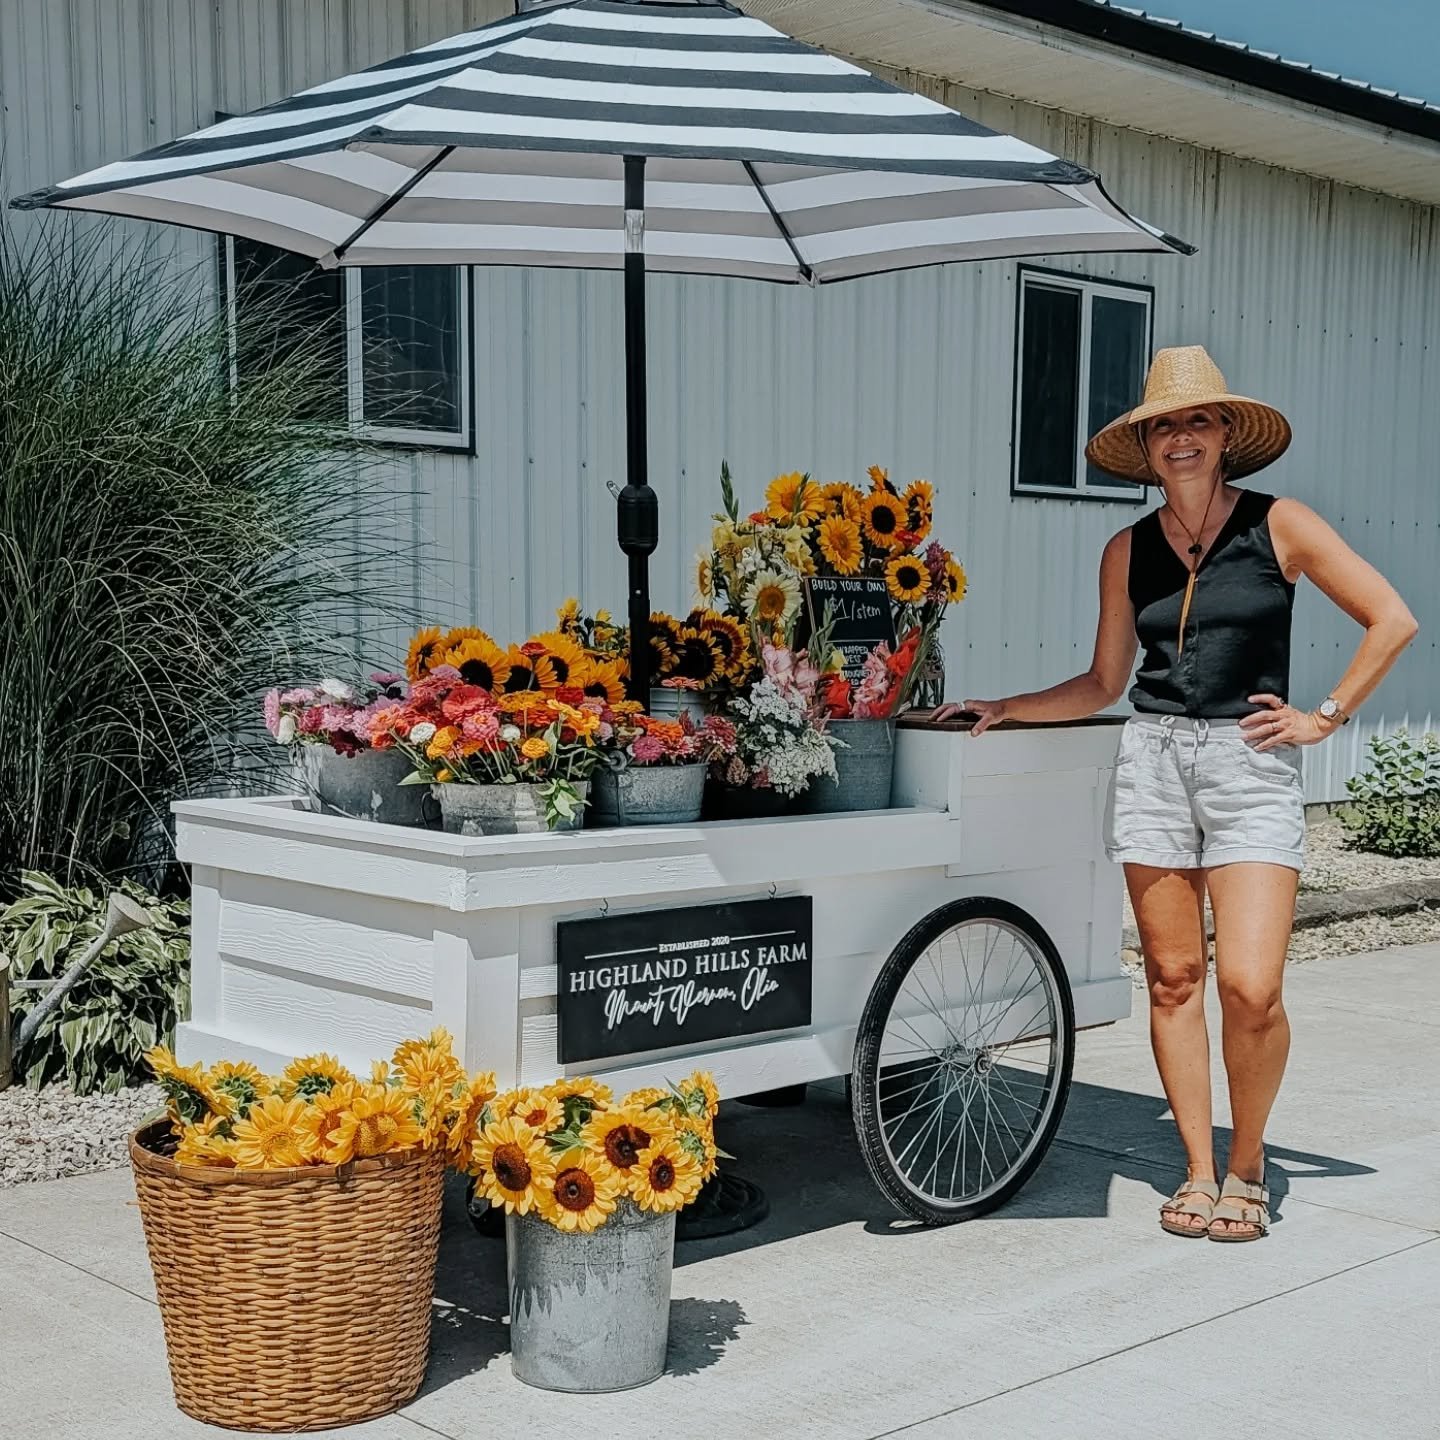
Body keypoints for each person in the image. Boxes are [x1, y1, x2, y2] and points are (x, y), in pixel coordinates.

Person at [936, 345, 1418, 1241]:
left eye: (1197, 420)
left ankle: (1250, 1162)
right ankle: (1200, 1170)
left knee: (1250, 985)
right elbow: (1103, 682)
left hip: (1248, 760)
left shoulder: (1282, 526)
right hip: (1155, 757)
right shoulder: (1126, 548)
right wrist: (1008, 706)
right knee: (1171, 978)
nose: (1182, 437)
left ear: (1225, 434)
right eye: (1165, 426)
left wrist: (1324, 716)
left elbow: (1393, 618)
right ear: (1148, 447)